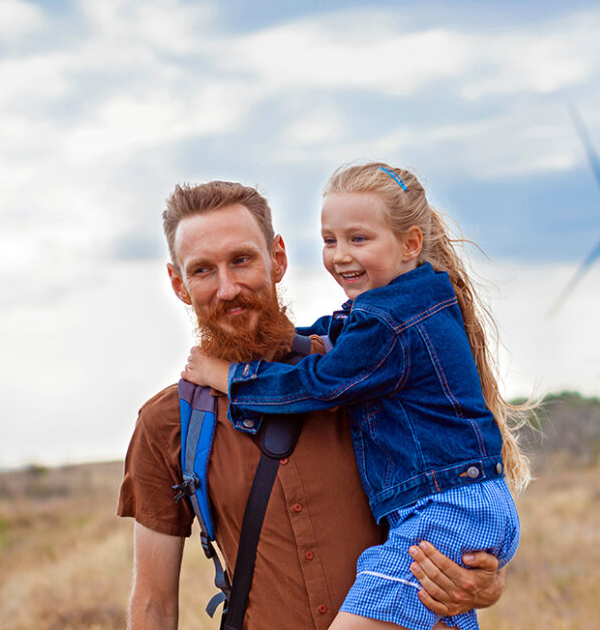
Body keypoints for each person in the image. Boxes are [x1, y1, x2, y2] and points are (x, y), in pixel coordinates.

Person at [117, 180, 507, 630]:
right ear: (178, 284)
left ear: (278, 258)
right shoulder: (169, 421)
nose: (227, 288)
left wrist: (484, 582)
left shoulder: (360, 371)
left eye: (241, 260)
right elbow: (153, 605)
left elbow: (455, 504)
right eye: (203, 270)